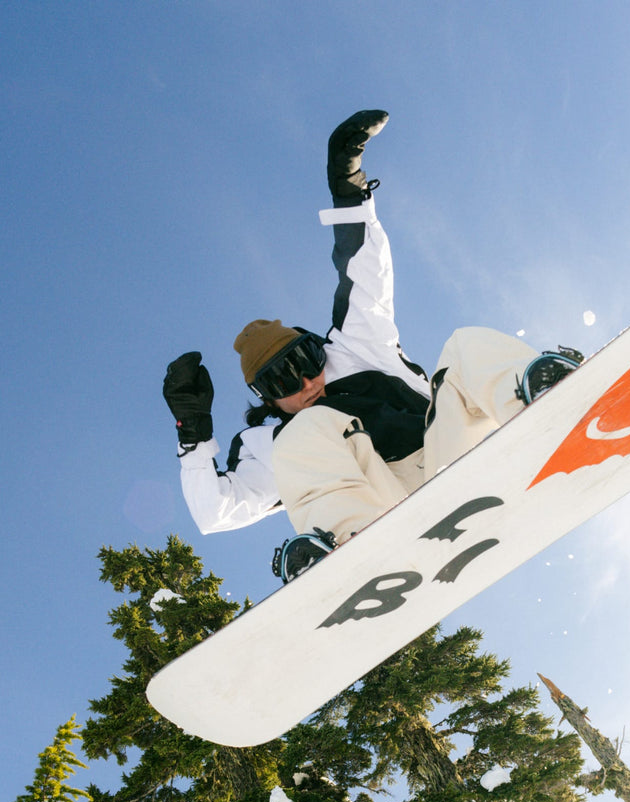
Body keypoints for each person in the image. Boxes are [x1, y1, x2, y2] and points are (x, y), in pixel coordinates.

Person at [163, 111, 581, 580]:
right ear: (266, 396)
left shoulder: (356, 345)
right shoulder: (270, 445)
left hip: (455, 453)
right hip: (387, 509)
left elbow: (364, 270)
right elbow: (215, 511)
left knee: (462, 347)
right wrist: (193, 431)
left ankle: (545, 401)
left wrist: (348, 187)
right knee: (306, 430)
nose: (306, 380)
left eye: (306, 359)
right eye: (283, 378)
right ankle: (350, 548)